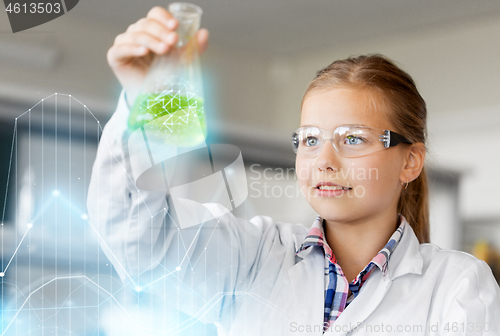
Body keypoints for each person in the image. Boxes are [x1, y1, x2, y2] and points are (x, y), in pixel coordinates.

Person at [87, 6, 500, 336]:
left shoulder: (456, 287)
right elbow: (137, 238)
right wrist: (143, 100)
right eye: (310, 139)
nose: (324, 160)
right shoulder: (252, 257)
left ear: (410, 161)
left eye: (352, 139)